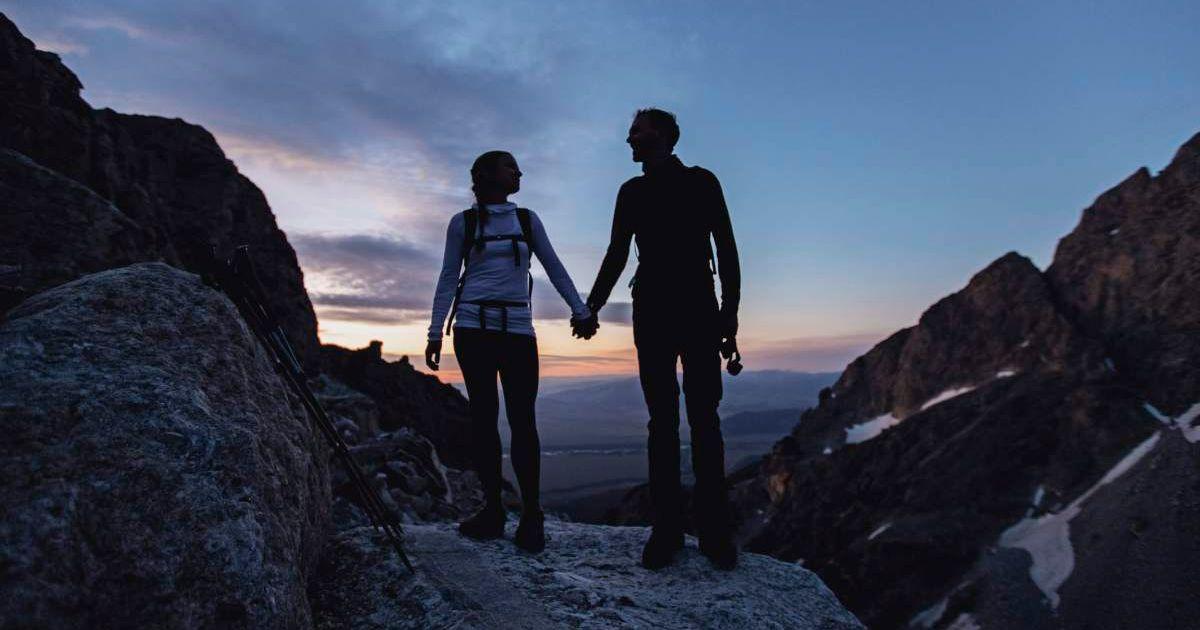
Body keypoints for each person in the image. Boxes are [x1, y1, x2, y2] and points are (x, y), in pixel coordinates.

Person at [585, 109, 741, 570]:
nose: (628, 138)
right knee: (664, 421)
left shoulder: (702, 181)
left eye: (636, 131)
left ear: (664, 136)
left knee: (703, 419)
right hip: (655, 309)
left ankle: (712, 530)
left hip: (693, 308)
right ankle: (670, 530)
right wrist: (592, 306)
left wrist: (728, 317)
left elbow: (727, 249)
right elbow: (616, 253)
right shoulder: (630, 191)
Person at [425, 150, 598, 552]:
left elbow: (553, 265)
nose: (518, 171)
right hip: (472, 329)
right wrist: (435, 332)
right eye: (509, 166)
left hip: (517, 329)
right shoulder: (462, 223)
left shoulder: (526, 220)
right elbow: (449, 276)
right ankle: (494, 510)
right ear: (486, 175)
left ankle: (531, 514)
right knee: (484, 421)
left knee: (523, 422)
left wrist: (580, 309)